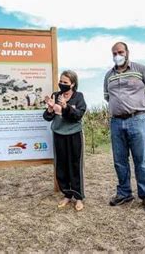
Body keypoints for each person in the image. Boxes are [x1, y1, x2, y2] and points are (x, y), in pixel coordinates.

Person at [103, 42, 145, 213]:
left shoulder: (141, 69)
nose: (117, 55)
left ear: (127, 52)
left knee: (141, 159)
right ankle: (124, 193)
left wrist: (139, 107)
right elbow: (107, 97)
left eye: (120, 52)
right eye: (114, 53)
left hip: (138, 120)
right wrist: (120, 109)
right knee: (119, 160)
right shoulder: (108, 75)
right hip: (116, 122)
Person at [43, 70, 87, 211]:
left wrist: (66, 107)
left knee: (75, 165)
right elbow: (47, 117)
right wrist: (50, 109)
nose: (62, 84)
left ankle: (78, 197)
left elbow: (78, 115)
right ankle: (67, 195)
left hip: (74, 135)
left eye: (65, 82)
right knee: (61, 165)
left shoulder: (78, 97)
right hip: (58, 134)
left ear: (73, 84)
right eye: (61, 81)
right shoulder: (55, 95)